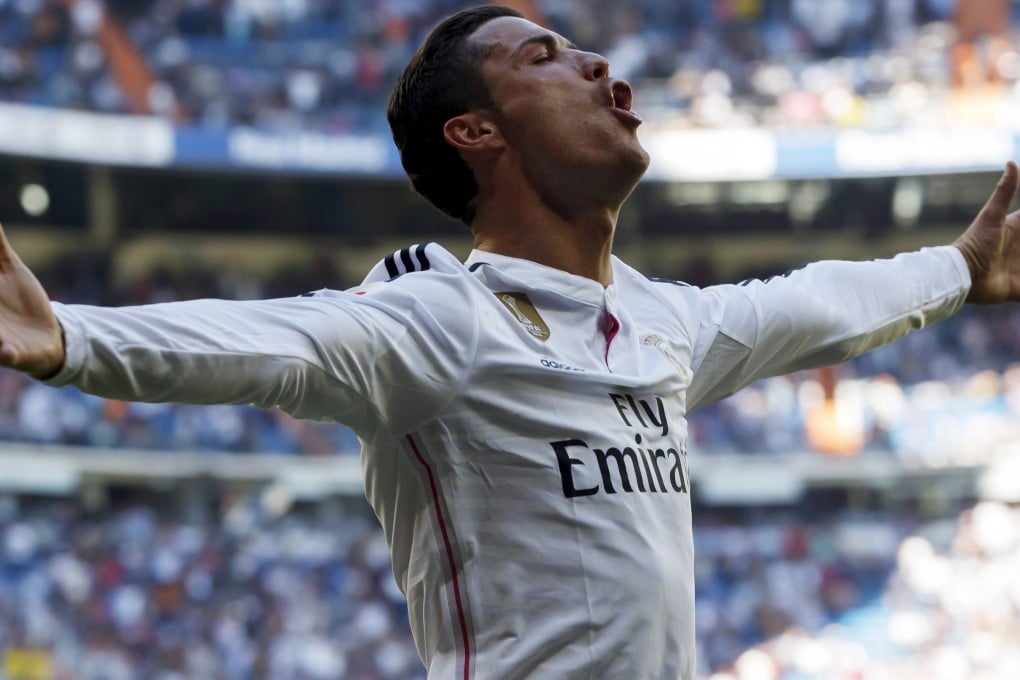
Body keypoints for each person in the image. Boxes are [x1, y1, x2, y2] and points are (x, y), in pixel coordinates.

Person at [0, 5, 1018, 679]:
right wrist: (68, 336)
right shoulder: (443, 317)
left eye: (579, 48)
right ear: (475, 133)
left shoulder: (662, 322)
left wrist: (960, 270)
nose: (597, 63)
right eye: (544, 58)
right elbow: (279, 341)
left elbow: (816, 302)